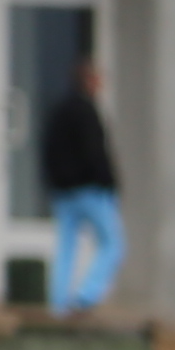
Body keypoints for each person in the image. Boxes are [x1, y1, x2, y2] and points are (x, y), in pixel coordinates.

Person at [40, 55, 121, 318]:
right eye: (98, 78)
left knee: (66, 248)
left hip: (64, 192)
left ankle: (58, 306)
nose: (101, 84)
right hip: (90, 190)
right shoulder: (86, 111)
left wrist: (54, 182)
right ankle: (87, 295)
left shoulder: (59, 110)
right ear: (88, 81)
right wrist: (109, 182)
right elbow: (94, 153)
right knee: (114, 243)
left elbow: (48, 151)